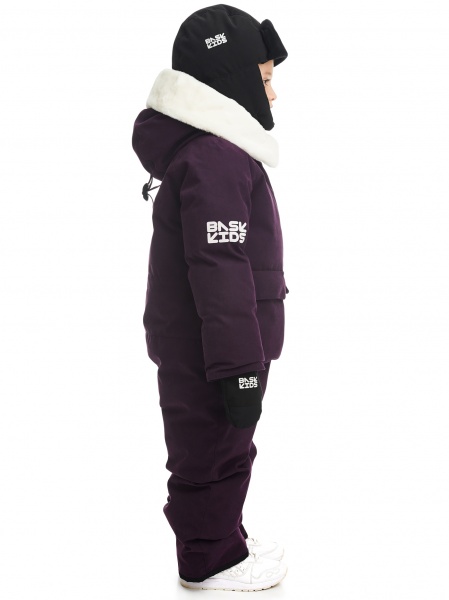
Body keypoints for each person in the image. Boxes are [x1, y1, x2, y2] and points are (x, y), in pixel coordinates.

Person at [132, 4, 290, 592]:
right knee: (209, 449)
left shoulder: (217, 152)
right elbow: (220, 266)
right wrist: (237, 366)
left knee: (226, 443)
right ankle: (209, 560)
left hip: (218, 342)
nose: (272, 95)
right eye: (264, 79)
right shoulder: (215, 158)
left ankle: (225, 538)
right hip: (213, 347)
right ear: (232, 80)